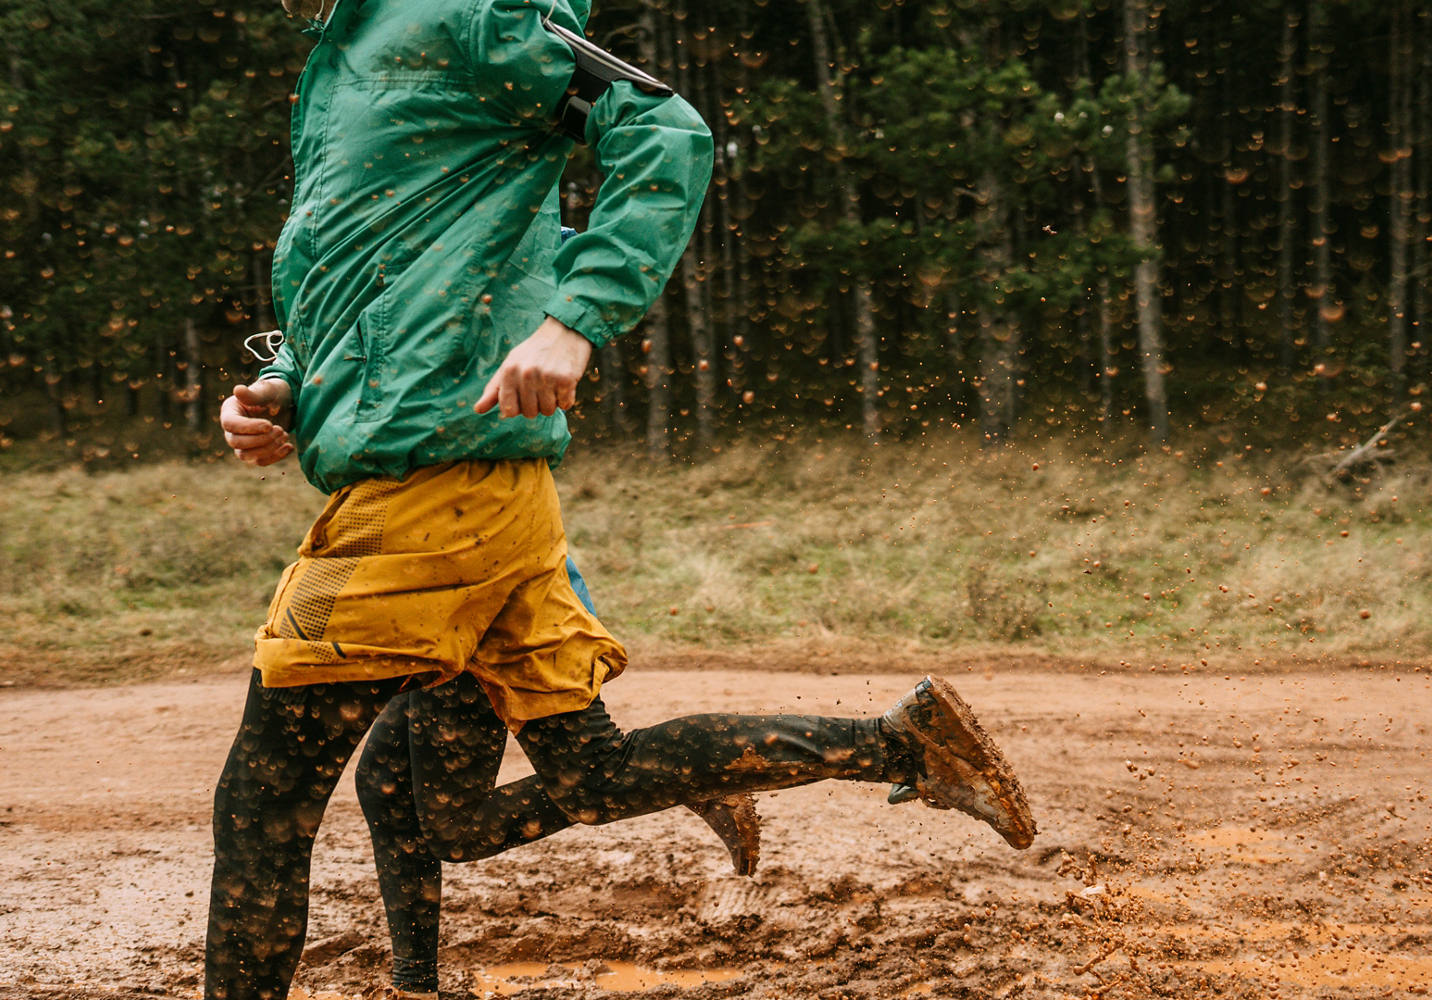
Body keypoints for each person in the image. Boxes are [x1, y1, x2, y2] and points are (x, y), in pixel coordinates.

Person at [207, 0, 1037, 998]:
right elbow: (365, 277)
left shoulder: (468, 21)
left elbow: (666, 128)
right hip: (480, 493)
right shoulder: (343, 60)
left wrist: (573, 321)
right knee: (590, 777)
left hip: (427, 486)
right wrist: (288, 390)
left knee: (262, 809)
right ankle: (899, 743)